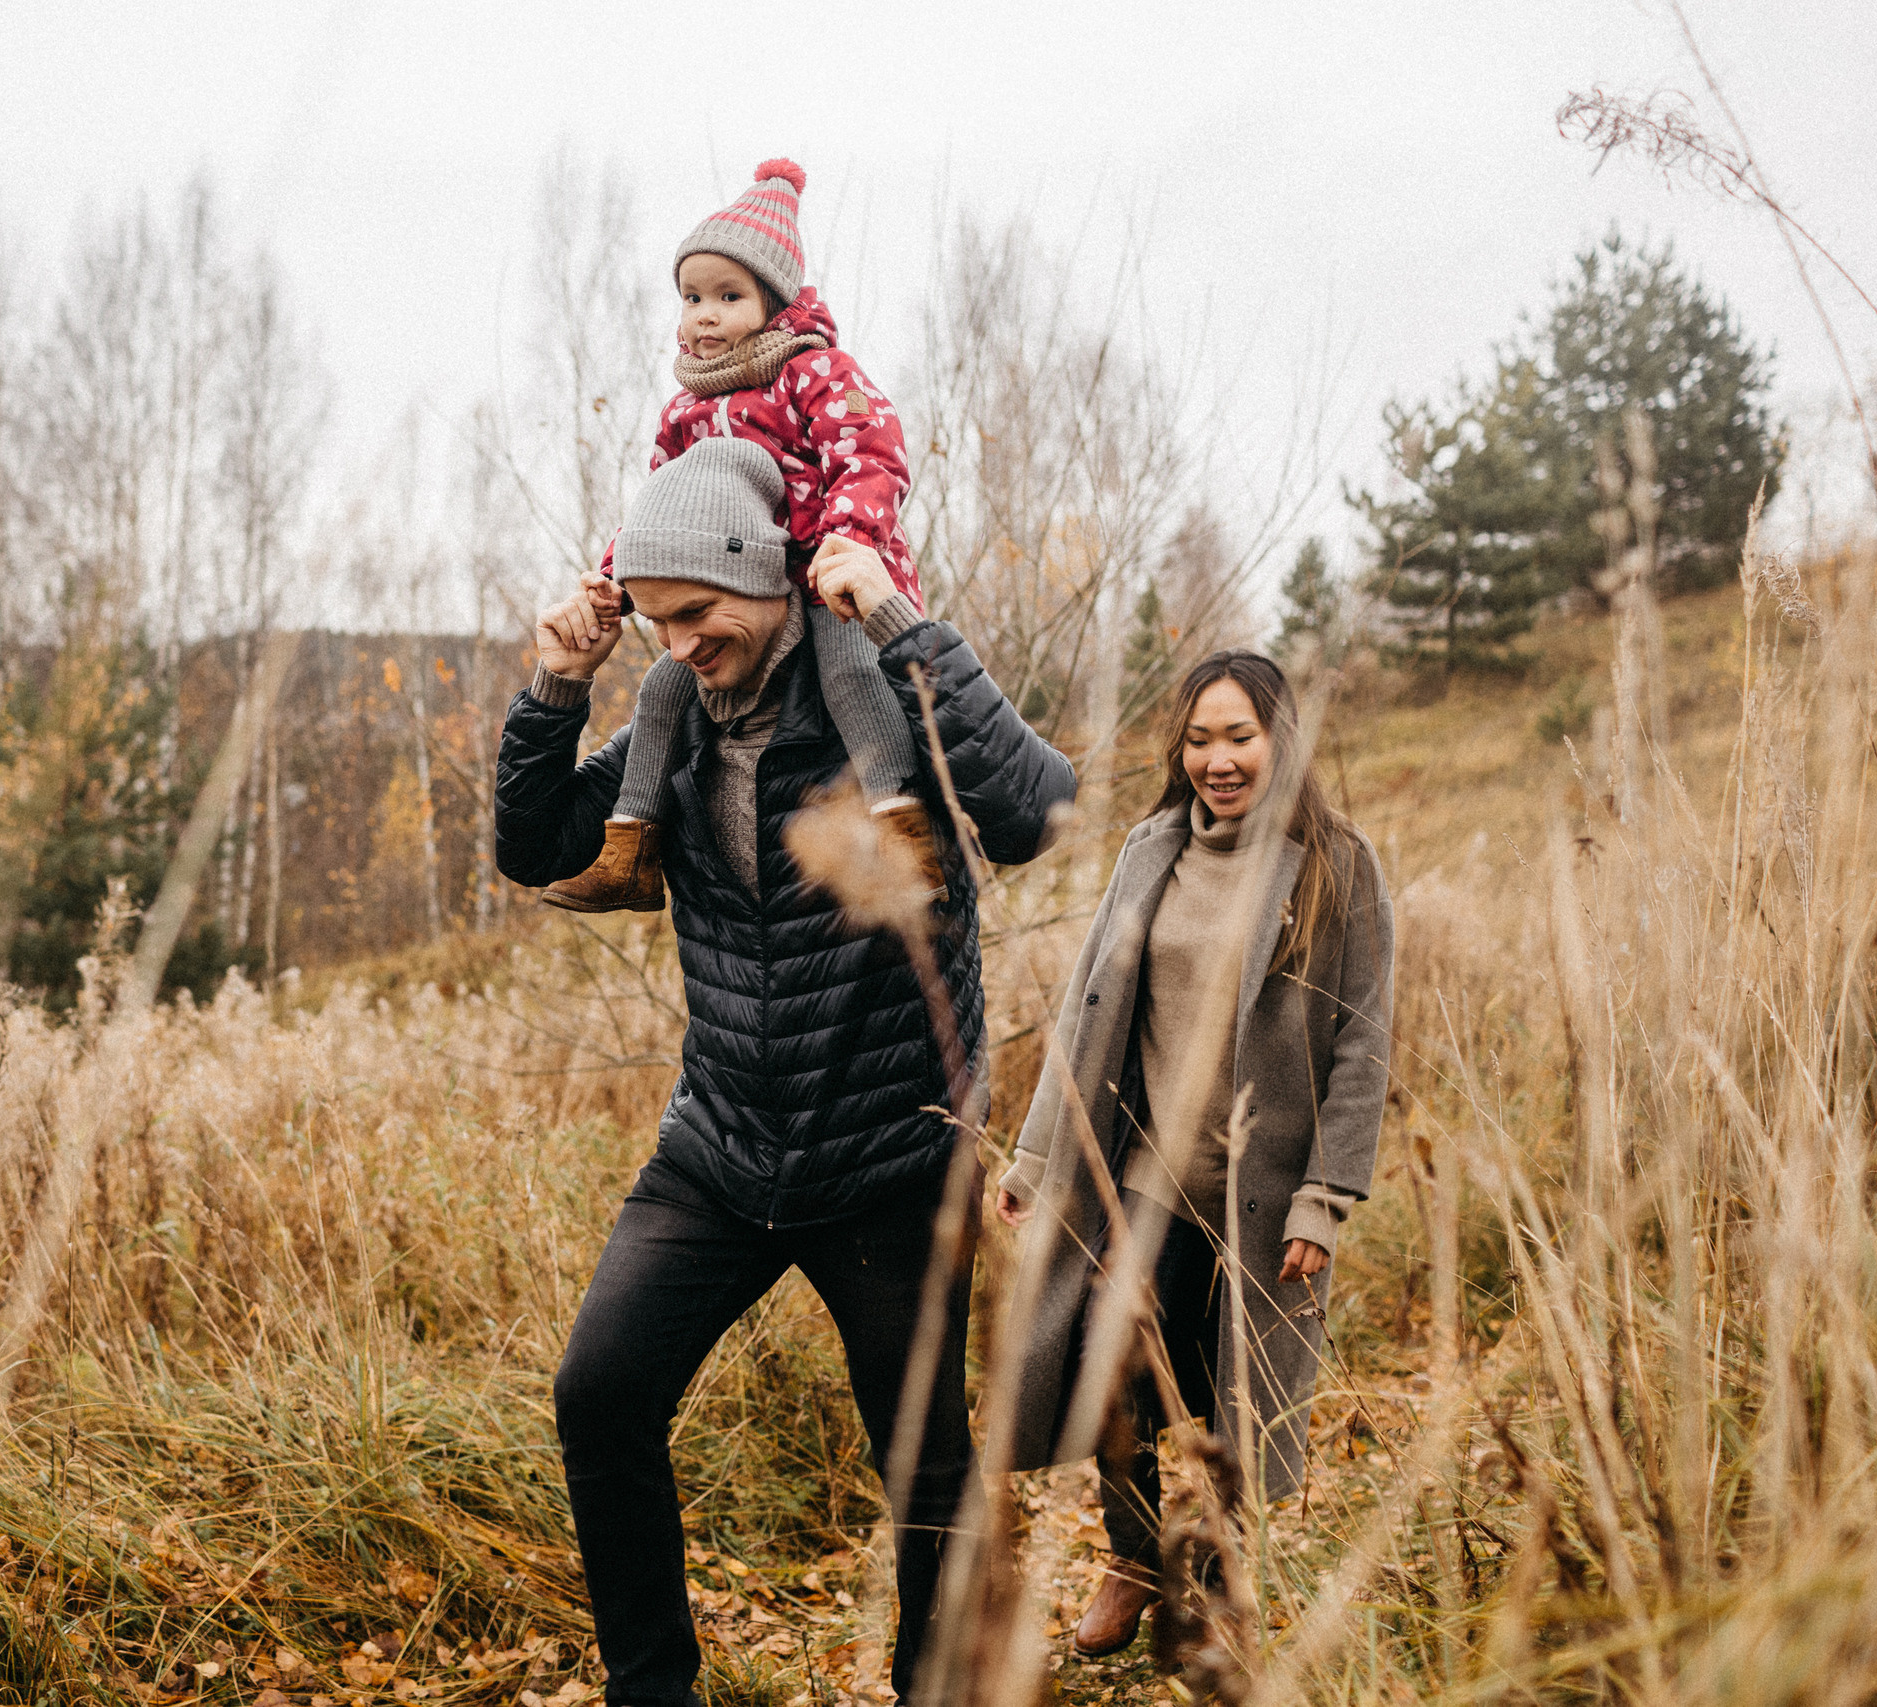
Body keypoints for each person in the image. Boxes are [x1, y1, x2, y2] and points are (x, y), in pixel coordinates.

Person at [498, 436, 1076, 1706]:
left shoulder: (881, 703)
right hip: (719, 1151)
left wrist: (900, 616)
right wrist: (553, 688)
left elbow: (1035, 810)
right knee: (599, 1394)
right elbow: (531, 849)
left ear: (765, 578)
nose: (682, 644)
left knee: (925, 1466)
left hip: (885, 1159)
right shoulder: (681, 729)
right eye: (656, 623)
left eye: (699, 615)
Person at [989, 650, 1393, 1658]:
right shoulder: (1149, 848)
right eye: (1199, 738)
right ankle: (1132, 1556)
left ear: (1281, 742)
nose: (1218, 759)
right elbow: (1086, 1015)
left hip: (1261, 1198)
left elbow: (1364, 1042)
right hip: (1141, 1183)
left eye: (1240, 738)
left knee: (1238, 1407)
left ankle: (1214, 1579)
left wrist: (1325, 1197)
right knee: (1106, 1372)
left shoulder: (1336, 866)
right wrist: (1036, 1163)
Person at [538, 157, 940, 915]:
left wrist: (849, 540)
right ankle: (630, 848)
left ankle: (902, 828)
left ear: (776, 303)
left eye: (728, 295)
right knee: (661, 687)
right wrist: (616, 579)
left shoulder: (813, 372)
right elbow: (658, 506)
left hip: (825, 576)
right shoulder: (683, 412)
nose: (705, 315)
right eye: (693, 297)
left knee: (851, 672)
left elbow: (872, 448)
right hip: (730, 588)